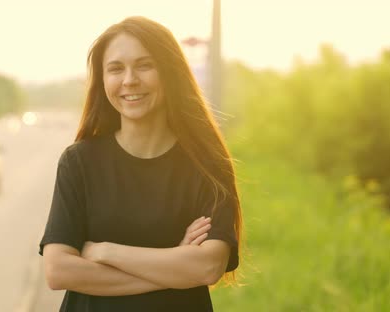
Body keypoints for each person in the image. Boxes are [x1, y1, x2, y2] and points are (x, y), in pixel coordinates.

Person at [39, 16, 242, 312]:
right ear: (103, 80)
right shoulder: (79, 162)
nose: (129, 80)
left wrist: (106, 251)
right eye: (116, 69)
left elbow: (208, 267)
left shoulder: (208, 165)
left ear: (170, 73)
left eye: (145, 65)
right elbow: (59, 271)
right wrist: (175, 267)